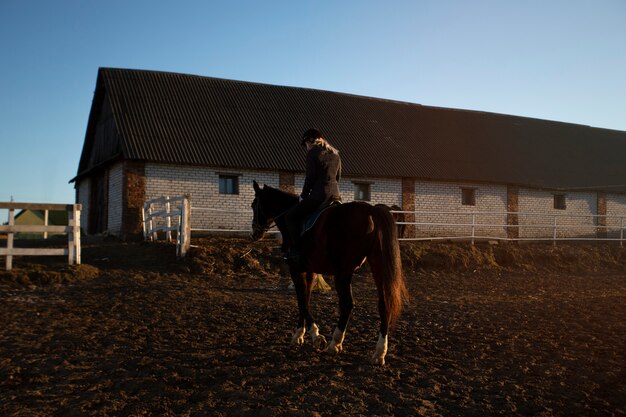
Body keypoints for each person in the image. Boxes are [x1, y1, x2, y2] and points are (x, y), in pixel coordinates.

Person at [284, 128, 342, 263]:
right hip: (336, 197)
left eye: (305, 145)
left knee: (290, 217)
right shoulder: (336, 154)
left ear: (310, 141)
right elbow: (337, 178)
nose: (306, 147)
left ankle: (296, 250)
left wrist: (303, 196)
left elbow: (310, 177)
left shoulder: (313, 153)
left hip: (319, 197)